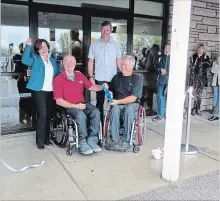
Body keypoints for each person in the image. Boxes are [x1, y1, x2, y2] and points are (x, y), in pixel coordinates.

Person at [53, 55, 107, 155]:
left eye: (72, 61)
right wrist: (75, 106)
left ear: (75, 63)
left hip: (82, 104)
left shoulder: (79, 75)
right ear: (63, 64)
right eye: (67, 62)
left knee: (95, 111)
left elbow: (92, 87)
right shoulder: (58, 79)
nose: (70, 63)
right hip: (68, 106)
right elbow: (59, 101)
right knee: (80, 115)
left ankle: (92, 139)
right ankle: (82, 142)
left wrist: (102, 87)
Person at [22, 38, 59, 150]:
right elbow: (25, 60)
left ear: (48, 47)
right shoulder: (35, 59)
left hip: (51, 91)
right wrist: (28, 46)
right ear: (37, 50)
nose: (43, 49)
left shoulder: (52, 61)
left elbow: (57, 74)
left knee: (48, 116)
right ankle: (40, 141)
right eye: (40, 47)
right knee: (42, 115)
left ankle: (47, 139)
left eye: (45, 46)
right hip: (39, 91)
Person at [88, 20, 121, 125]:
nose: (106, 32)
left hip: (113, 78)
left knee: (113, 102)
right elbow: (90, 61)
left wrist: (123, 73)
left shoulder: (116, 45)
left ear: (111, 30)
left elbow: (118, 61)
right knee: (99, 103)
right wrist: (90, 76)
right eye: (104, 29)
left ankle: (112, 124)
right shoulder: (94, 45)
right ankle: (100, 125)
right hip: (99, 78)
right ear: (100, 30)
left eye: (108, 29)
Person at [108, 55, 143, 148]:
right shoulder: (116, 77)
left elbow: (133, 98)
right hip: (118, 104)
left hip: (132, 104)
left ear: (132, 66)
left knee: (129, 110)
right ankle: (114, 140)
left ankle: (127, 140)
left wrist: (117, 102)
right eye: (122, 64)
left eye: (125, 65)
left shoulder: (136, 79)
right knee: (114, 109)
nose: (122, 67)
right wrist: (109, 93)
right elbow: (110, 89)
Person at [13, 43, 32, 124]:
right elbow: (15, 75)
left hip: (29, 82)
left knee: (28, 99)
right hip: (23, 83)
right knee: (24, 99)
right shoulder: (20, 59)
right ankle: (23, 117)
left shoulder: (30, 58)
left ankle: (27, 117)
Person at [189, 43, 210, 116]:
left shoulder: (206, 57)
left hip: (202, 79)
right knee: (194, 94)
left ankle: (198, 108)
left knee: (199, 94)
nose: (200, 50)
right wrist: (198, 58)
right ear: (197, 49)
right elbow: (192, 67)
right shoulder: (193, 57)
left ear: (204, 50)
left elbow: (207, 67)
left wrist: (203, 59)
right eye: (199, 49)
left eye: (202, 49)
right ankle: (193, 109)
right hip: (194, 78)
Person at [152, 44, 171, 122]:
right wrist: (160, 70)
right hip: (161, 81)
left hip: (170, 81)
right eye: (166, 48)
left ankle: (169, 114)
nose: (167, 49)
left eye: (169, 48)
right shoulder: (160, 58)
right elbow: (155, 67)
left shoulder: (174, 59)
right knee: (160, 97)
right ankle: (159, 115)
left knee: (170, 99)